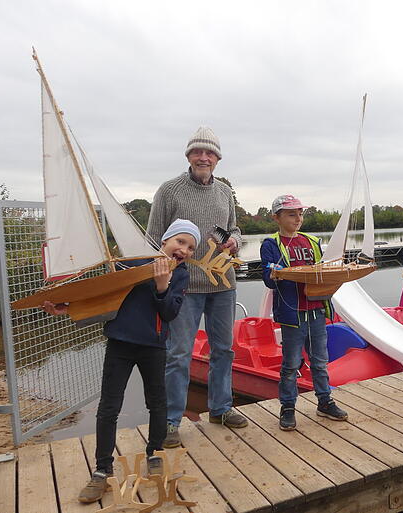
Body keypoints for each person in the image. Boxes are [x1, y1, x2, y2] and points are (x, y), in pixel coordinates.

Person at [42, 219, 198, 503]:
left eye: (190, 247)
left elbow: (170, 314)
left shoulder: (181, 275)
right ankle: (102, 471)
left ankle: (155, 454)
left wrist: (163, 286)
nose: (184, 250)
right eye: (180, 242)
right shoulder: (130, 260)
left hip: (153, 346)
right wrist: (69, 307)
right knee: (109, 407)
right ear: (165, 241)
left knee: (157, 403)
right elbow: (102, 294)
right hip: (120, 343)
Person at [147, 126, 248, 449]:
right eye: (197, 152)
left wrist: (235, 240)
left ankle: (220, 408)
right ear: (188, 156)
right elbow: (153, 238)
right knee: (178, 354)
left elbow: (234, 228)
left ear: (218, 159)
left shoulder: (224, 192)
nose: (203, 157)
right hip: (183, 286)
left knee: (224, 350)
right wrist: (158, 276)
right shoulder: (169, 191)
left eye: (210, 153)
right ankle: (171, 420)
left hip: (223, 285)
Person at [260, 194, 348, 430]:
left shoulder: (312, 241)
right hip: (292, 314)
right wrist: (276, 273)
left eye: (300, 213)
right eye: (291, 214)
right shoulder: (271, 244)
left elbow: (324, 269)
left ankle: (324, 401)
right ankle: (287, 407)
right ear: (276, 217)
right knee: (291, 364)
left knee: (320, 361)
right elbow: (269, 277)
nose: (298, 218)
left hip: (317, 309)